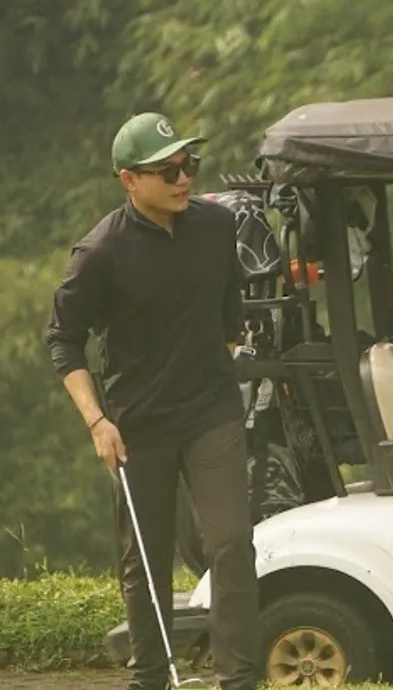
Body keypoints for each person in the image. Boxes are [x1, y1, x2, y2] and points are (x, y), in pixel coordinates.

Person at [44, 112, 259, 690]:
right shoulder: (100, 252)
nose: (183, 178)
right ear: (129, 180)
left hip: (211, 412)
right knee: (146, 555)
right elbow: (63, 340)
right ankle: (151, 678)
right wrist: (97, 421)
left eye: (189, 165)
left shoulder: (216, 227)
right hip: (137, 424)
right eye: (167, 171)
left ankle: (239, 680)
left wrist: (226, 355)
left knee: (231, 542)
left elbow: (230, 309)